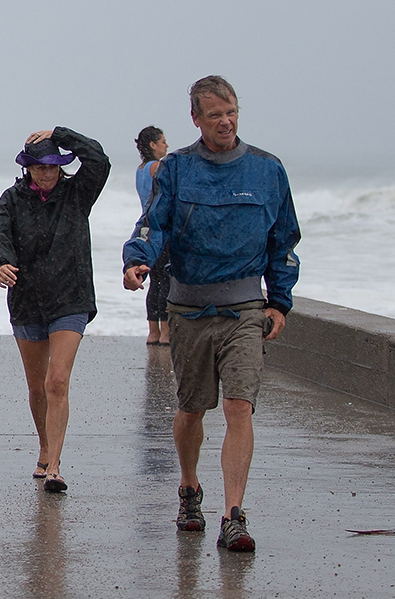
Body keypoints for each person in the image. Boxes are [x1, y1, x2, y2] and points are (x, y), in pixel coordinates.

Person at [124, 76, 299, 554]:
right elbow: (152, 224)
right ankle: (188, 488)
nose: (226, 121)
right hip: (189, 306)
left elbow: (283, 241)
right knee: (191, 409)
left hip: (245, 306)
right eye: (216, 114)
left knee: (240, 406)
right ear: (196, 119)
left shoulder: (268, 170)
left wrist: (279, 301)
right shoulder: (176, 169)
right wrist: (137, 259)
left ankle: (233, 515)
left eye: (233, 112)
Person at [0, 127, 111, 494]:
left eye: (54, 166)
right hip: (27, 301)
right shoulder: (12, 199)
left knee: (57, 381)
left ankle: (54, 464)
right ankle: (44, 446)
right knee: (38, 386)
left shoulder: (77, 195)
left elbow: (99, 160)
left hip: (70, 299)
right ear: (28, 168)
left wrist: (61, 133)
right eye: (40, 167)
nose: (47, 174)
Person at [134, 126, 172, 346]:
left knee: (155, 281)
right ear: (152, 144)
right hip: (161, 229)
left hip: (146, 228)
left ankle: (153, 332)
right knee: (165, 279)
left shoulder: (140, 169)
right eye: (163, 141)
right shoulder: (157, 167)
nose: (166, 145)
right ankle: (166, 333)